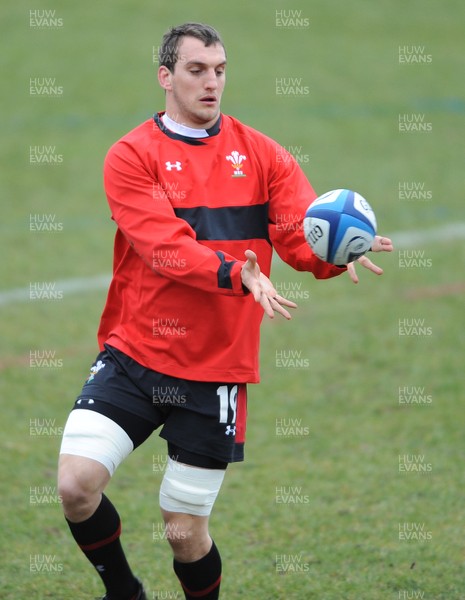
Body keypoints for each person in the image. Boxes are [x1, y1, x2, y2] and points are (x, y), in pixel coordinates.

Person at [57, 22, 393, 600]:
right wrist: (237, 272)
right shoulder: (132, 155)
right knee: (75, 486)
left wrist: (335, 252)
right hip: (136, 354)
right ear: (166, 77)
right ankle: (123, 592)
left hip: (217, 370)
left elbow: (294, 238)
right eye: (196, 70)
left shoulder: (264, 155)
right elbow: (164, 245)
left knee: (183, 532)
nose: (211, 82)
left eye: (219, 70)